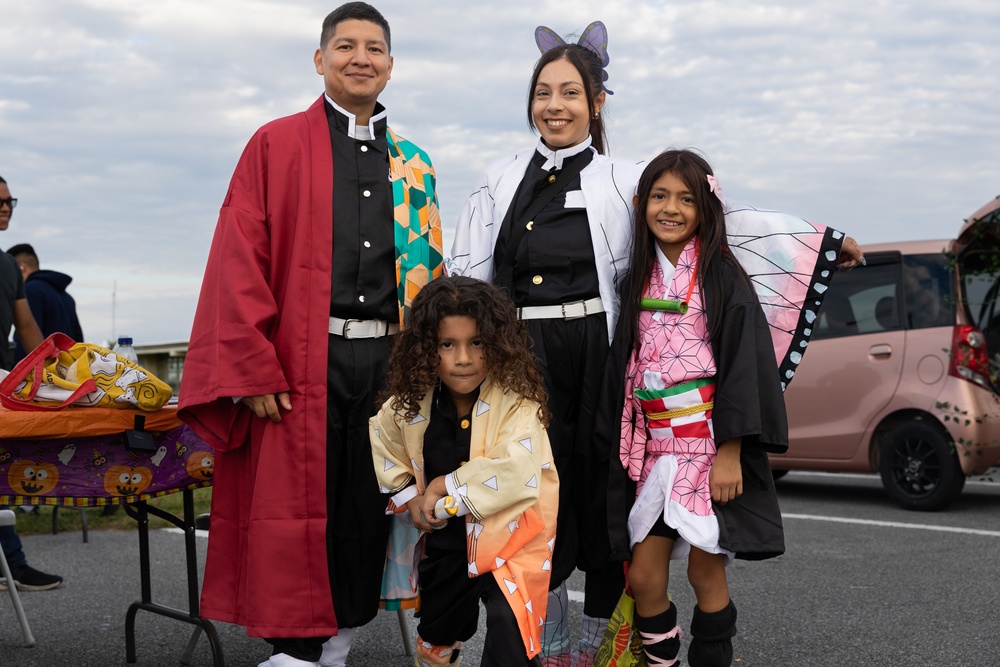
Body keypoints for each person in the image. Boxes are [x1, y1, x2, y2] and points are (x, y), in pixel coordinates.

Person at [448, 21, 865, 666]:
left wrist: (821, 242)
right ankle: (539, 636)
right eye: (542, 93)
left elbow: (714, 214)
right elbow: (468, 269)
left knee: (600, 491)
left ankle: (605, 639)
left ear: (596, 103)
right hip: (522, 358)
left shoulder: (625, 179)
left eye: (569, 93)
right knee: (527, 493)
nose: (554, 106)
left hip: (600, 355)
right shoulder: (497, 179)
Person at [177, 4, 443, 666]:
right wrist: (252, 365)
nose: (361, 57)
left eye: (375, 47)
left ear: (390, 65)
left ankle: (341, 639)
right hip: (299, 360)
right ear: (319, 60)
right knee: (299, 507)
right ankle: (295, 647)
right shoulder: (275, 144)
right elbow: (239, 255)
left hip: (388, 361)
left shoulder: (413, 166)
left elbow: (431, 281)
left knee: (367, 501)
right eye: (345, 45)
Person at [615, 150, 788, 666]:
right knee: (644, 576)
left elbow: (742, 365)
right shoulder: (635, 278)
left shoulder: (722, 277)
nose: (671, 209)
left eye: (686, 199)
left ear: (707, 209)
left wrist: (732, 451)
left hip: (706, 448)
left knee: (703, 572)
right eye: (659, 196)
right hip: (653, 449)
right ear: (641, 203)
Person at [370, 275, 559, 667]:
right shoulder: (411, 403)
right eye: (447, 344)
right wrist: (411, 499)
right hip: (447, 544)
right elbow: (385, 442)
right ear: (426, 348)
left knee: (512, 632)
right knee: (438, 638)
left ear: (496, 343)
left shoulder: (518, 402)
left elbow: (516, 470)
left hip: (512, 540)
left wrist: (444, 485)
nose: (463, 358)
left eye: (477, 343)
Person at [0, 175, 62, 592]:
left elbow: (26, 326)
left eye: (9, 201)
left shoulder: (7, 264)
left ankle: (13, 564)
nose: (6, 207)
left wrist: (54, 374)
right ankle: (14, 564)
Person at [7, 243, 85, 362]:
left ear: (21, 268)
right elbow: (78, 341)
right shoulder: (66, 297)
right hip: (65, 373)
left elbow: (25, 335)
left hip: (40, 374)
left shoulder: (29, 291)